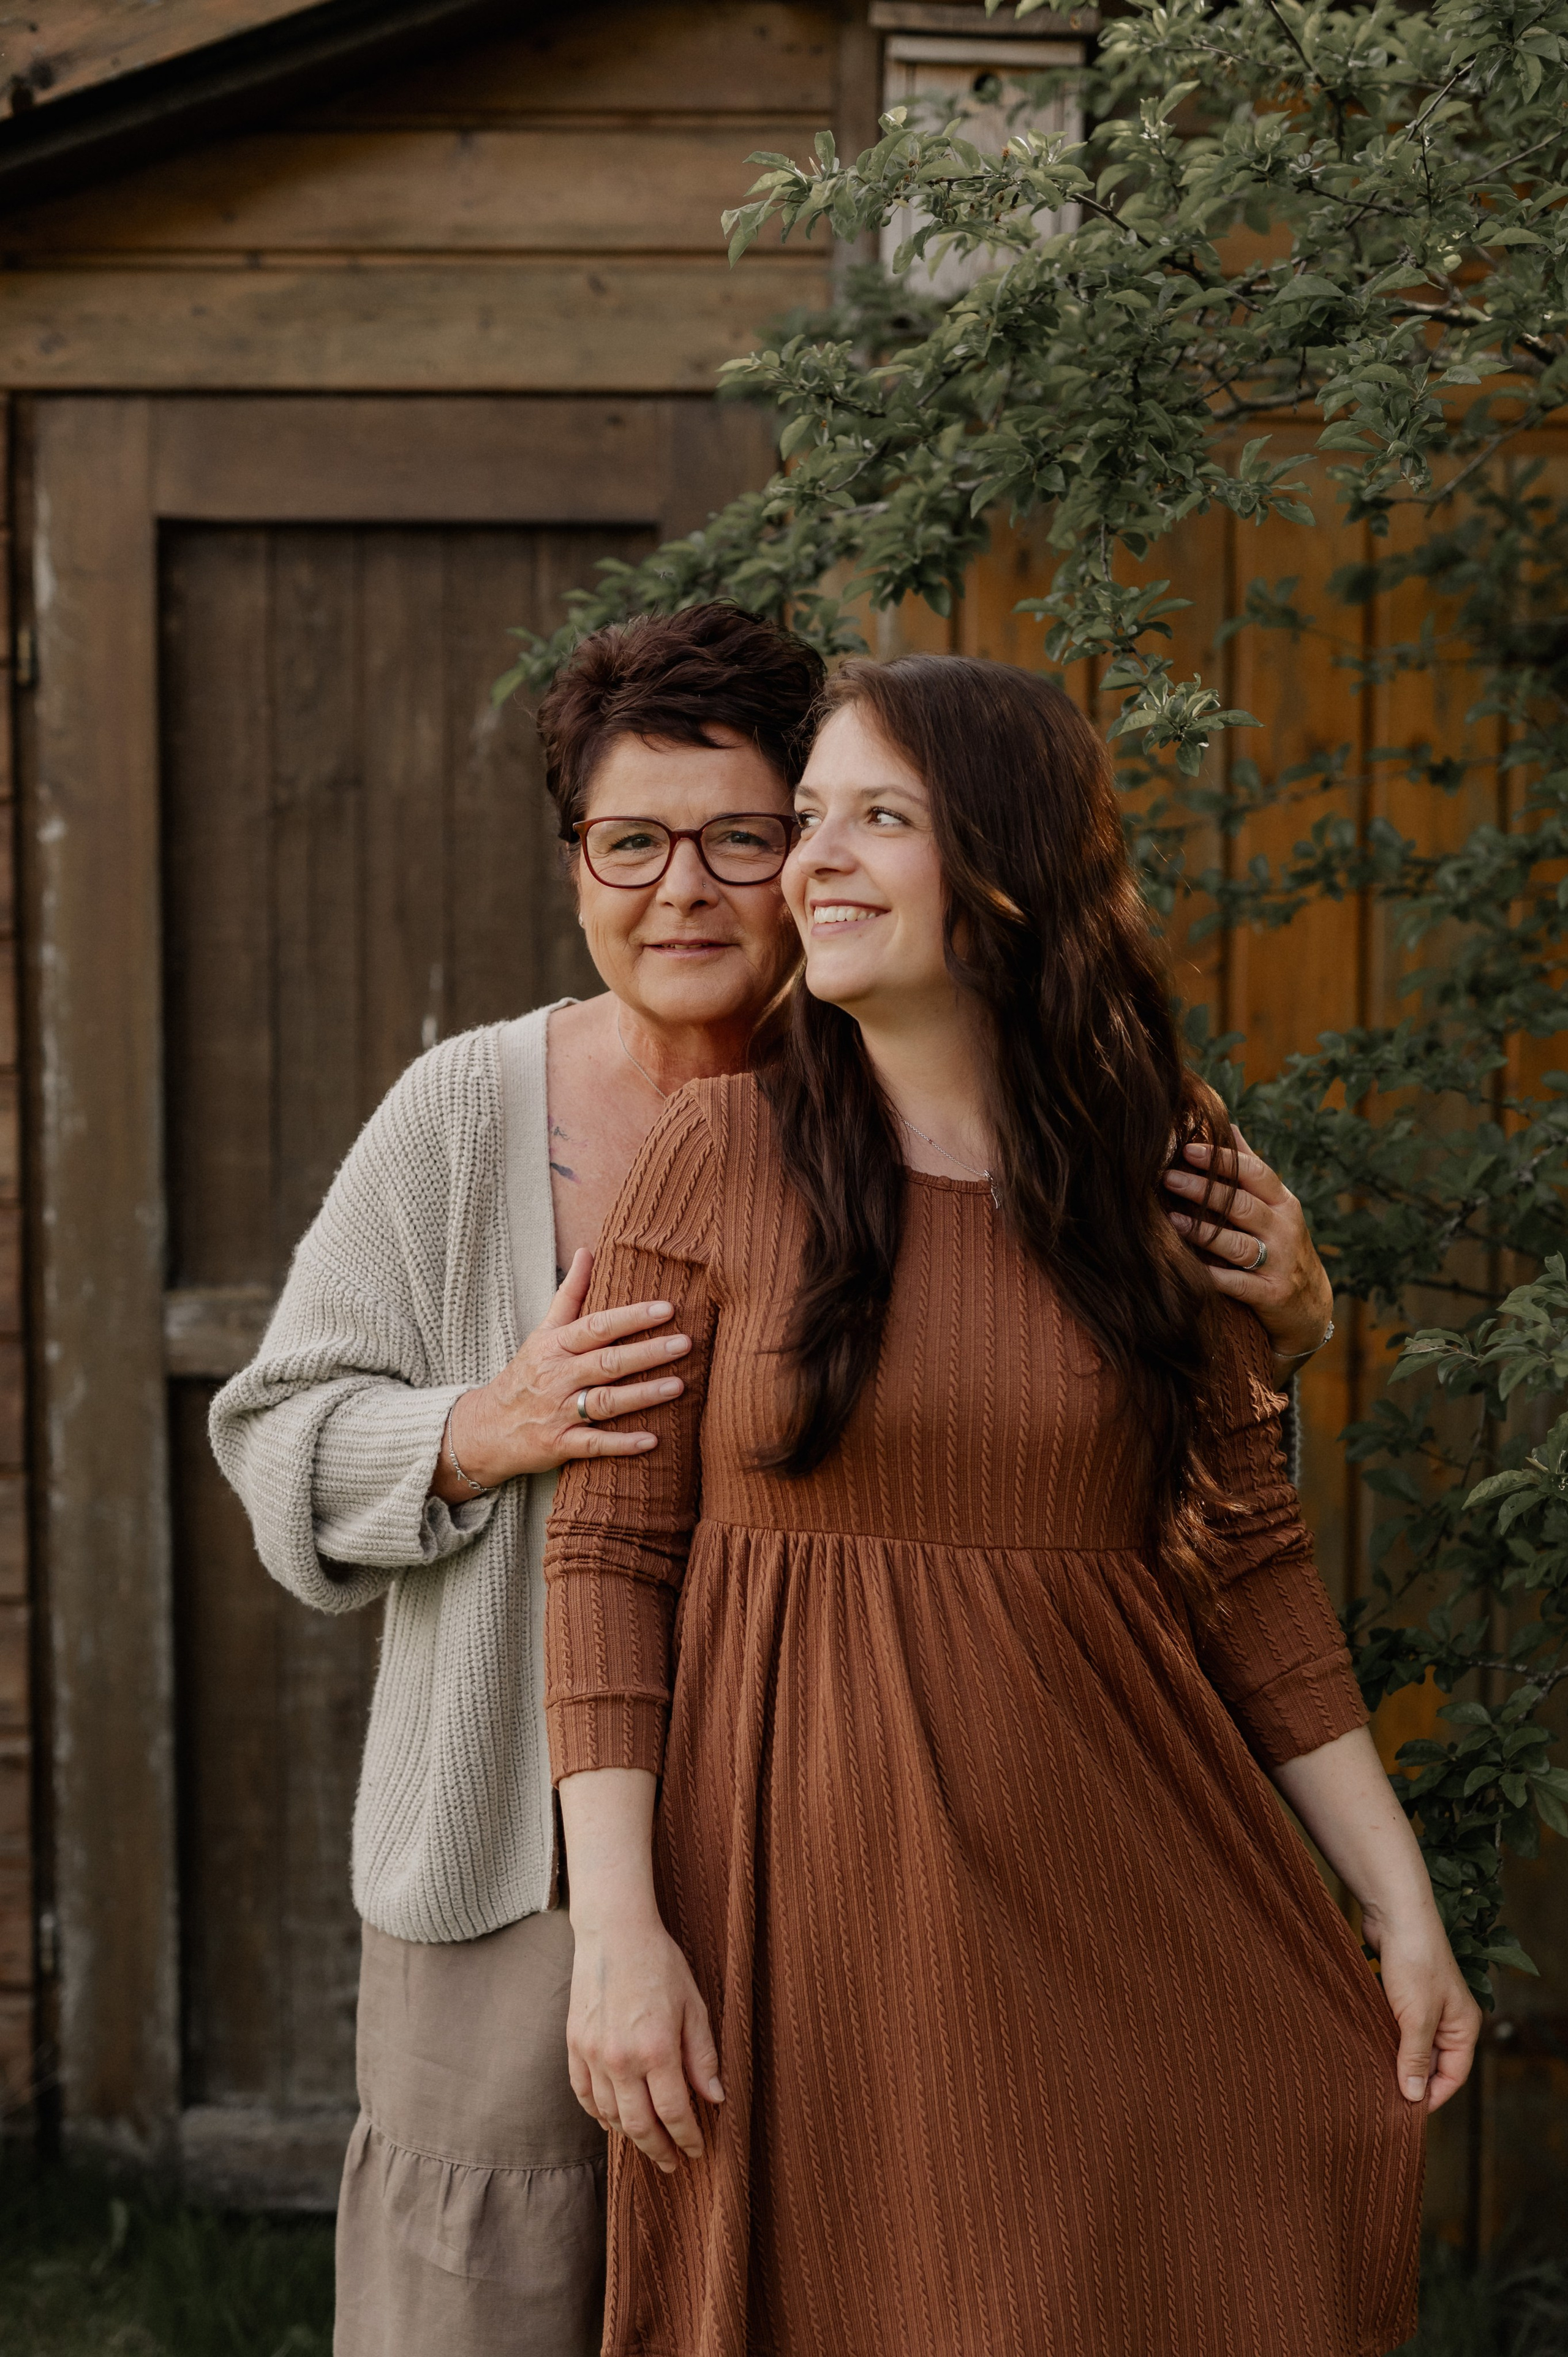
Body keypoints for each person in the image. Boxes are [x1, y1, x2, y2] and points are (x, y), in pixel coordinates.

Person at [209, 607, 1336, 2356]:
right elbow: (274, 1436)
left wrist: (1300, 1308)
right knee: (480, 2306)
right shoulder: (468, 1115)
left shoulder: (990, 1105)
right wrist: (475, 1428)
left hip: (856, 1873)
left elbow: (1147, 1460)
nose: (687, 890)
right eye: (631, 843)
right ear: (574, 862)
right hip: (524, 1864)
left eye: (743, 835)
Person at [543, 654, 1480, 2357]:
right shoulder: (721, 1154)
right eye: (807, 818)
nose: (811, 861)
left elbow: (1251, 1565)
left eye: (874, 818)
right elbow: (608, 1552)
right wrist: (619, 1929)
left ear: (1004, 867)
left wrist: (1399, 1907)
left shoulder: (1157, 1164)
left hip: (1110, 1877)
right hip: (801, 1906)